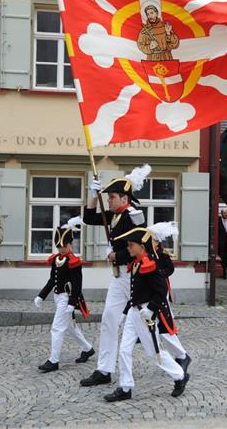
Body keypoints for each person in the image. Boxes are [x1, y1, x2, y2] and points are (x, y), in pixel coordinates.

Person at [78, 165, 150, 387]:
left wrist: (113, 255)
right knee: (109, 319)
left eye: (112, 197)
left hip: (135, 277)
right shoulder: (115, 215)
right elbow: (89, 217)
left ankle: (178, 358)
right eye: (107, 197)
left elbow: (140, 246)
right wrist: (93, 195)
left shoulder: (134, 216)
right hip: (119, 279)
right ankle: (104, 369)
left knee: (150, 323)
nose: (108, 200)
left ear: (124, 198)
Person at [103, 227, 189, 402]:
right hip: (135, 313)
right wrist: (126, 313)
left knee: (154, 353)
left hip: (145, 316)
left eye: (131, 245)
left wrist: (150, 309)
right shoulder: (136, 263)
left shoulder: (149, 264)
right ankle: (126, 387)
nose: (128, 248)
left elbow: (161, 290)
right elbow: (135, 293)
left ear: (142, 246)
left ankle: (180, 376)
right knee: (124, 349)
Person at [34, 226, 94, 372]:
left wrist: (72, 303)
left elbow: (77, 285)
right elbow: (52, 281)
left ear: (70, 245)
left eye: (64, 246)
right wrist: (41, 296)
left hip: (67, 299)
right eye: (59, 247)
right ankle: (88, 349)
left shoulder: (74, 261)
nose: (61, 249)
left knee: (57, 328)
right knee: (70, 327)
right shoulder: (56, 260)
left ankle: (53, 361)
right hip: (57, 297)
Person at [148, 221, 192, 372]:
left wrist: (160, 275)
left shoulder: (162, 254)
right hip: (148, 294)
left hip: (160, 288)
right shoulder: (148, 255)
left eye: (152, 240)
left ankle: (180, 358)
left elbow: (170, 268)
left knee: (163, 323)